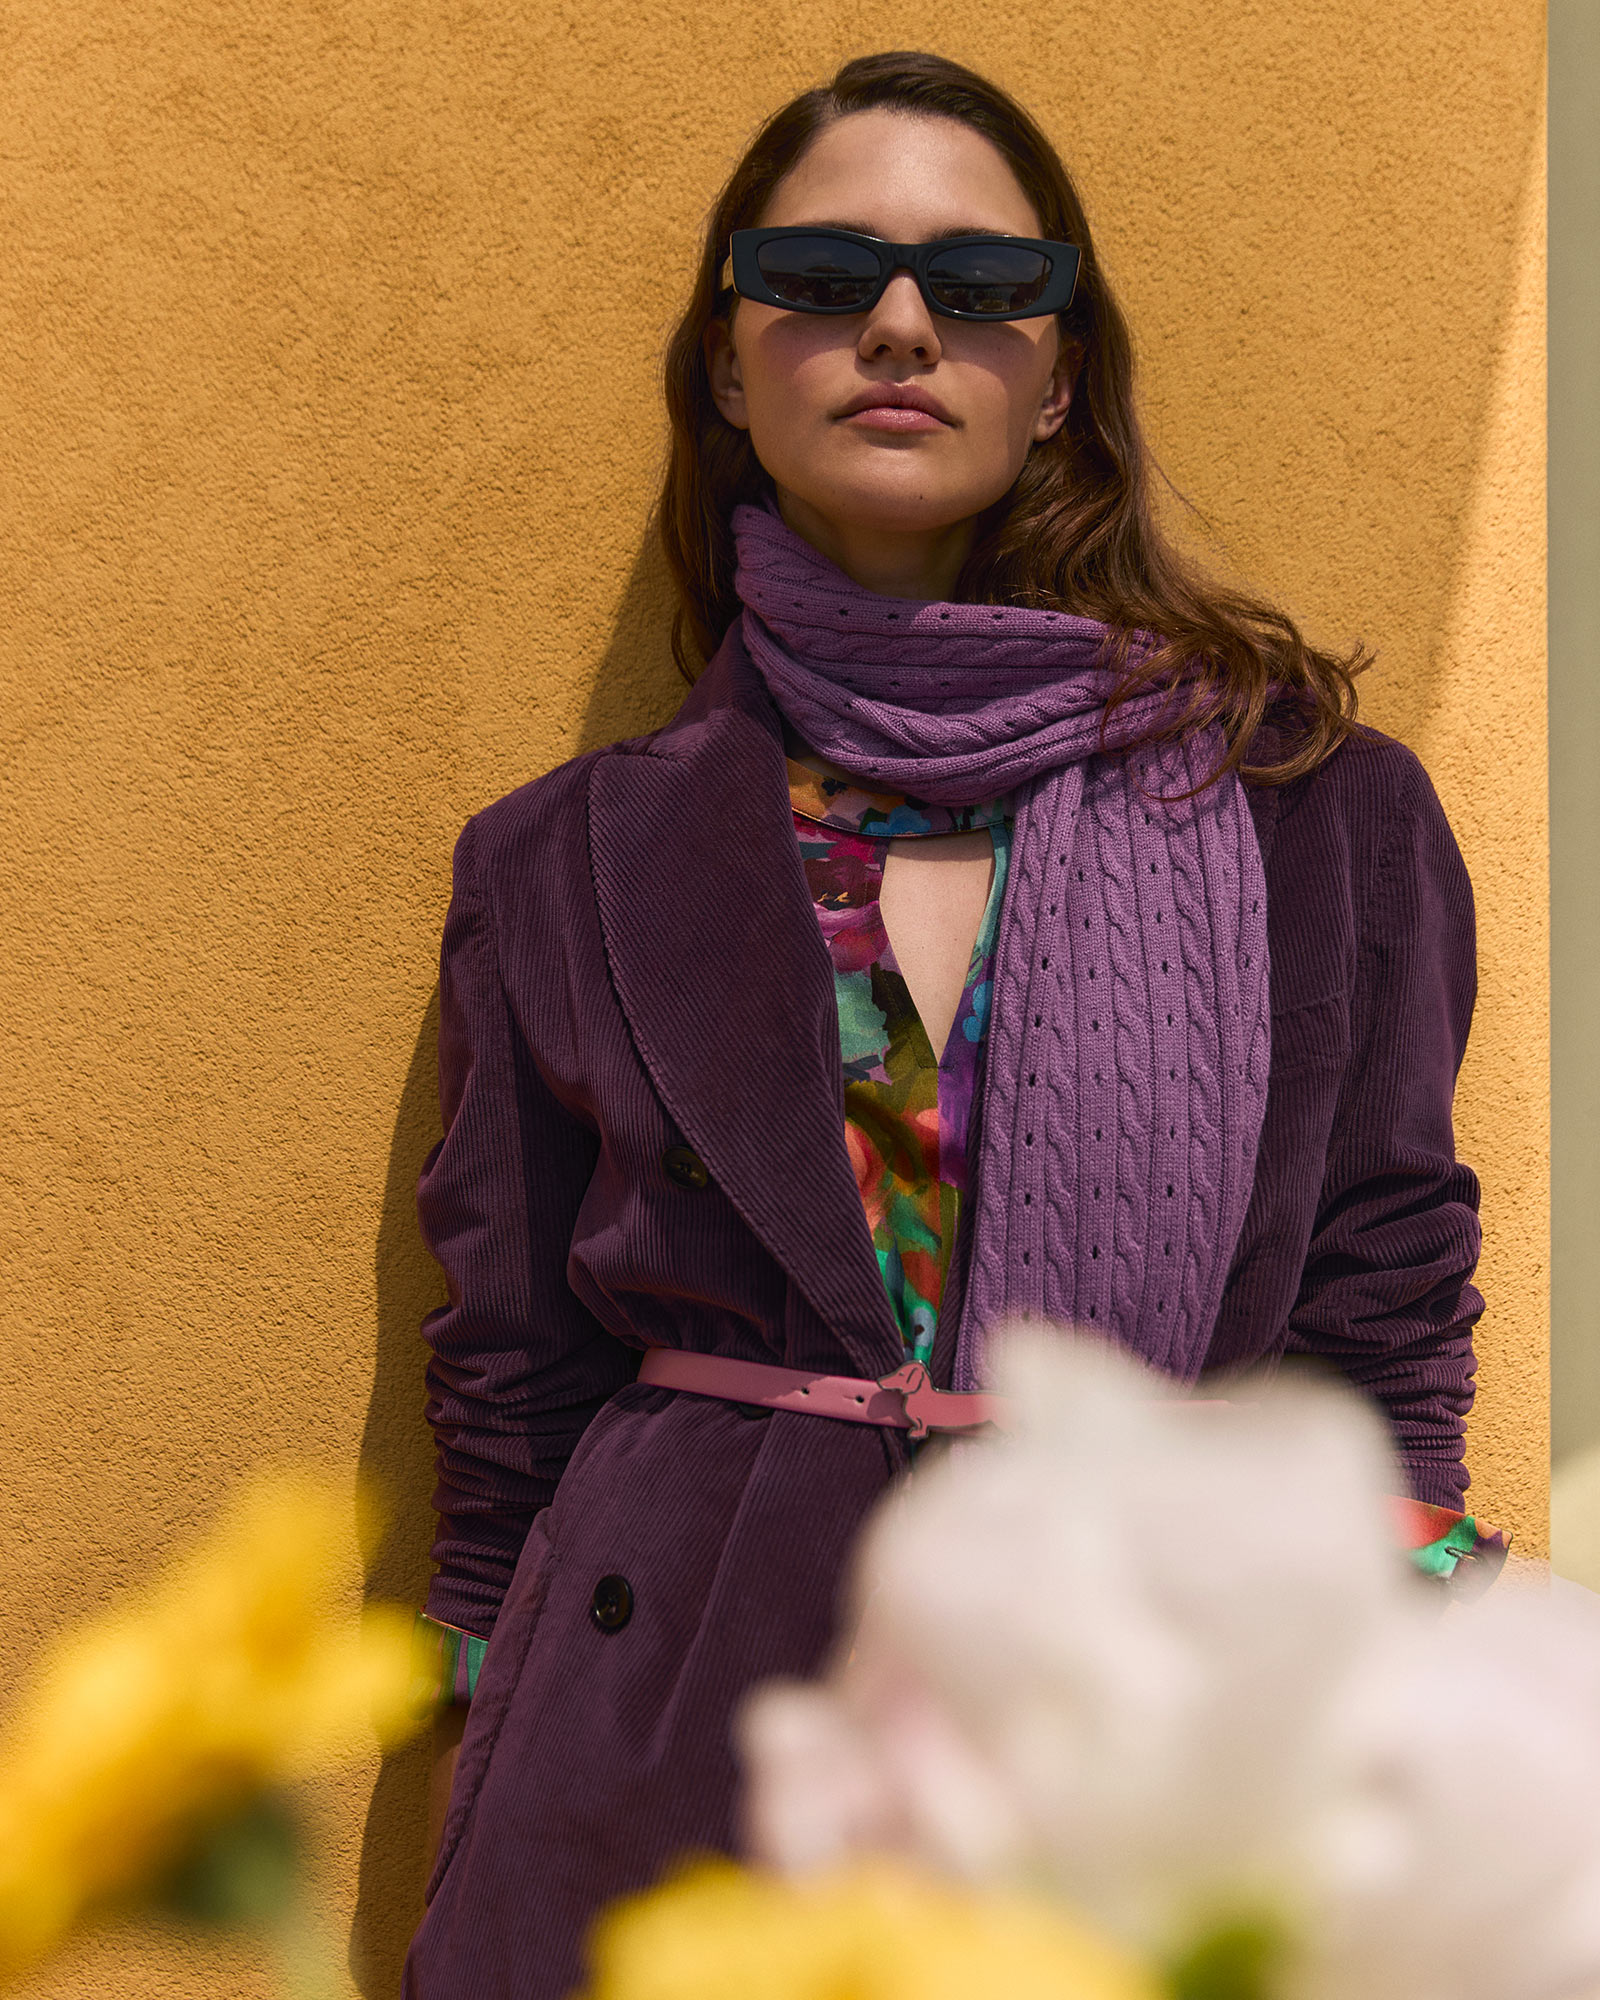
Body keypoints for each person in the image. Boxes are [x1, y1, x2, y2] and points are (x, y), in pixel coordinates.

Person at [402, 51, 1486, 1999]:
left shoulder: (1316, 813)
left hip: (1127, 1710)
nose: (899, 322)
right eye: (819, 273)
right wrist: (485, 1673)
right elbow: (510, 1336)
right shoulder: (567, 854)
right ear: (728, 368)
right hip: (666, 1724)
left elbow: (1377, 1270)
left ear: (1060, 373)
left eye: (982, 284)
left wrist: (1393, 1605)